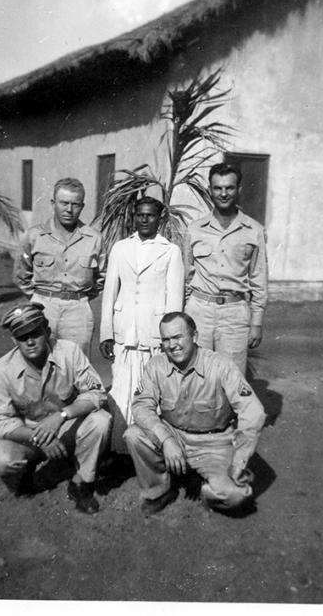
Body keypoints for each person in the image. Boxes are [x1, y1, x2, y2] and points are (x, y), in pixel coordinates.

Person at [124, 312, 266, 516]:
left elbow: (253, 412)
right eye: (166, 340)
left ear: (195, 336)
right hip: (174, 435)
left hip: (214, 444)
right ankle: (159, 490)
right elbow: (141, 406)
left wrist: (239, 462)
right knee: (134, 435)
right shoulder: (156, 365)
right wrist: (166, 440)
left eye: (178, 337)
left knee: (236, 495)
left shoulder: (221, 366)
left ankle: (203, 486)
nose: (172, 345)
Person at [0, 302, 111, 514]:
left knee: (101, 420)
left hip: (65, 426)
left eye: (35, 333)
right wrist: (39, 436)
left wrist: (62, 415)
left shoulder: (69, 352)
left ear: (47, 331)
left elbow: (96, 393)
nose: (30, 342)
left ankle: (81, 482)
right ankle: (24, 472)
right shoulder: (1, 370)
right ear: (14, 340)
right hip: (29, 434)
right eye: (23, 337)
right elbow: (0, 421)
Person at [99, 196, 184, 451]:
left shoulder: (170, 251)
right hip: (124, 333)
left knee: (150, 394)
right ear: (134, 217)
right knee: (121, 390)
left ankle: (146, 449)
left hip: (152, 336)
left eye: (150, 215)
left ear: (160, 219)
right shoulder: (120, 248)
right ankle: (117, 450)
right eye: (140, 215)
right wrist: (106, 333)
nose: (144, 219)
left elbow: (175, 300)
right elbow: (110, 292)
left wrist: (171, 340)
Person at [184, 162, 268, 376]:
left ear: (238, 190)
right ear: (210, 190)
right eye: (217, 188)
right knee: (197, 376)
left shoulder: (253, 231)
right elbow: (185, 276)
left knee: (231, 378)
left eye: (229, 188)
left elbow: (259, 280)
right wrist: (185, 314)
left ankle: (230, 412)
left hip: (234, 313)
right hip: (198, 311)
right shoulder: (194, 230)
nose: (223, 194)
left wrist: (256, 322)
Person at [13, 177, 104, 356]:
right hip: (43, 306)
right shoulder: (34, 235)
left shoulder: (93, 238)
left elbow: (101, 277)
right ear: (53, 203)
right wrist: (40, 297)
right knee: (39, 362)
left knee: (77, 366)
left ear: (82, 206)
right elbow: (21, 274)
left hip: (78, 309)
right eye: (64, 203)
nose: (69, 210)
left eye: (75, 204)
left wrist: (80, 297)